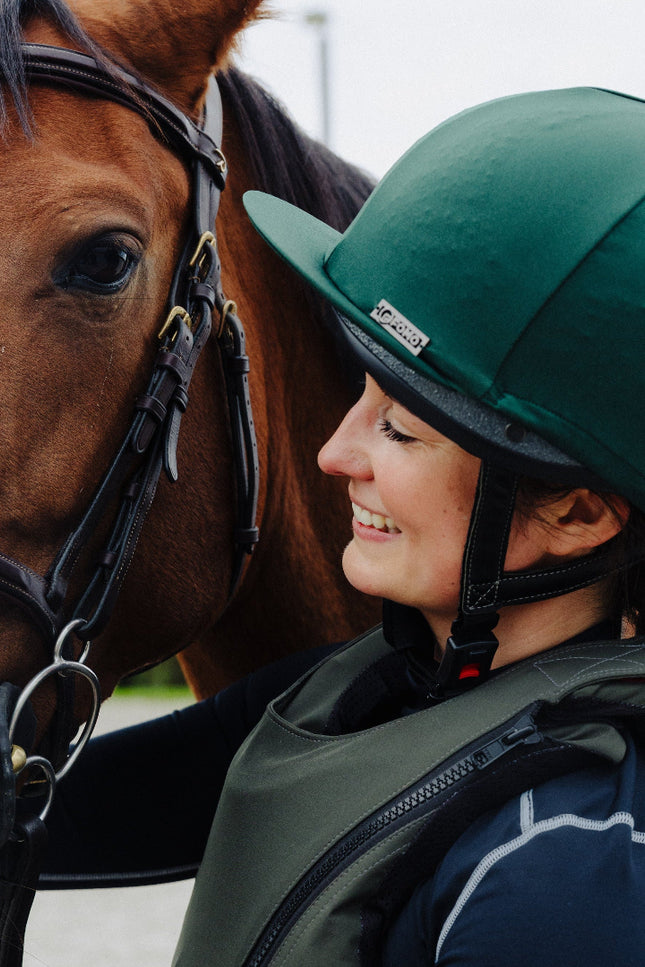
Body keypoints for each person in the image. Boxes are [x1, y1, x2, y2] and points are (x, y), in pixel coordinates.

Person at [42, 86, 645, 965]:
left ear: (580, 511)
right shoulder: (367, 686)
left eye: (400, 429)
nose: (334, 452)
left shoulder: (551, 877)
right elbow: (90, 809)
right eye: (362, 395)